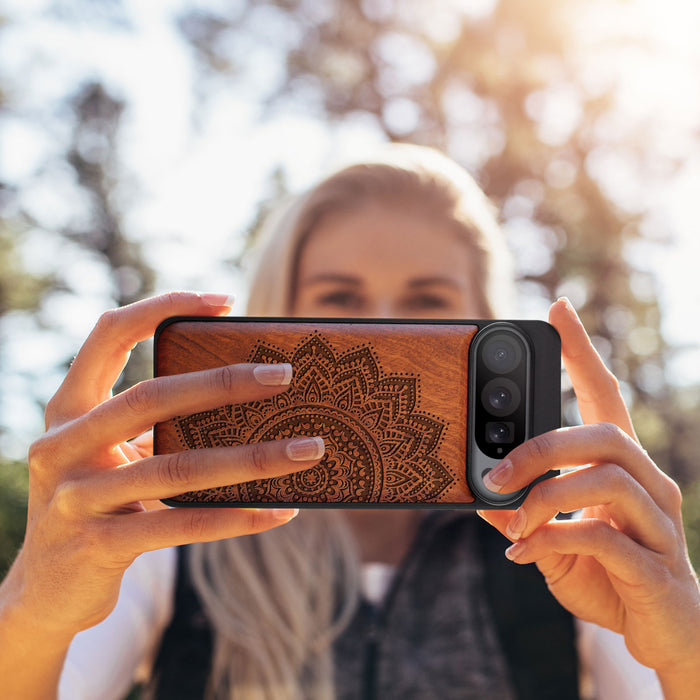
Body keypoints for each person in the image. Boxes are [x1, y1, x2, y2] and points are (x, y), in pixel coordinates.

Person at [0, 145, 698, 700]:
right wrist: (34, 607)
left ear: (486, 322)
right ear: (278, 312)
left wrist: (685, 647)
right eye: (340, 299)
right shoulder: (169, 536)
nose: (383, 327)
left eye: (427, 302)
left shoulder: (568, 545)